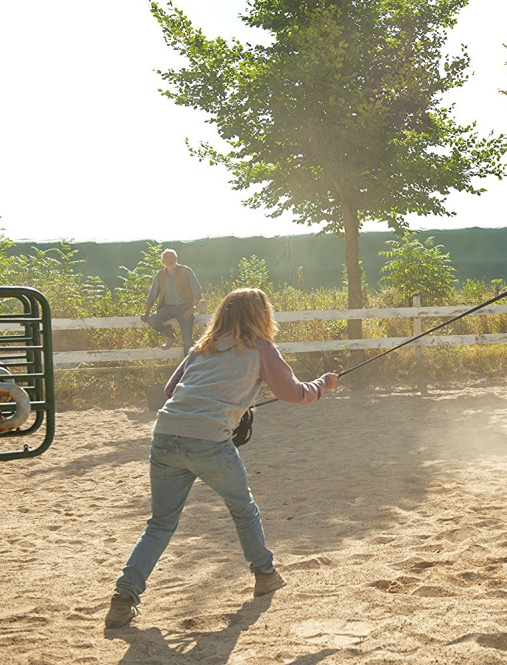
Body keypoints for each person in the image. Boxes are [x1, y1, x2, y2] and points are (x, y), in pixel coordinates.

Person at [106, 287, 339, 629]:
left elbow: (172, 391)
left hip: (165, 434)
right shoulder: (261, 349)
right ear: (261, 316)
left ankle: (124, 597)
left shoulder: (201, 348)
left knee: (160, 524)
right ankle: (264, 574)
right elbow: (293, 393)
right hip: (209, 441)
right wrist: (323, 384)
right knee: (243, 508)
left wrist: (229, 397)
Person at [141, 248, 202, 355]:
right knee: (152, 321)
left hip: (185, 308)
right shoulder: (159, 275)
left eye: (172, 257)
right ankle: (170, 335)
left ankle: (187, 367)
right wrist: (146, 313)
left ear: (176, 258)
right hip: (167, 308)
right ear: (162, 261)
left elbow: (197, 290)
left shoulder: (186, 270)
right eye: (167, 258)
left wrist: (193, 308)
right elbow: (152, 295)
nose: (170, 260)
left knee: (187, 341)